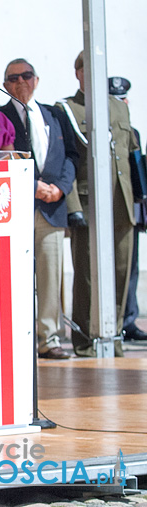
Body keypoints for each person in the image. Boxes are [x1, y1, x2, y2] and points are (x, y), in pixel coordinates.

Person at [0, 59, 78, 360]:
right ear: (5, 84)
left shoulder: (54, 114)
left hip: (51, 207)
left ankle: (49, 338)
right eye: (13, 77)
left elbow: (71, 155)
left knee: (50, 275)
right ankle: (16, 338)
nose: (21, 82)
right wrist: (31, 185)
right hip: (15, 208)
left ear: (37, 79)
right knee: (13, 277)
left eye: (26, 76)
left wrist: (60, 188)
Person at [60, 52, 137, 357]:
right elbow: (67, 157)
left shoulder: (119, 107)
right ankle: (84, 337)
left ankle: (114, 334)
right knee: (87, 274)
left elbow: (129, 155)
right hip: (88, 200)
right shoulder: (67, 108)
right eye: (87, 69)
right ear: (77, 72)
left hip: (121, 200)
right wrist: (72, 205)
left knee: (121, 269)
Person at [110, 78, 147, 342]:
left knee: (130, 267)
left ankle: (129, 319)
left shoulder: (133, 132)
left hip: (130, 206)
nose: (122, 104)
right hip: (106, 206)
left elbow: (138, 175)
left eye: (124, 99)